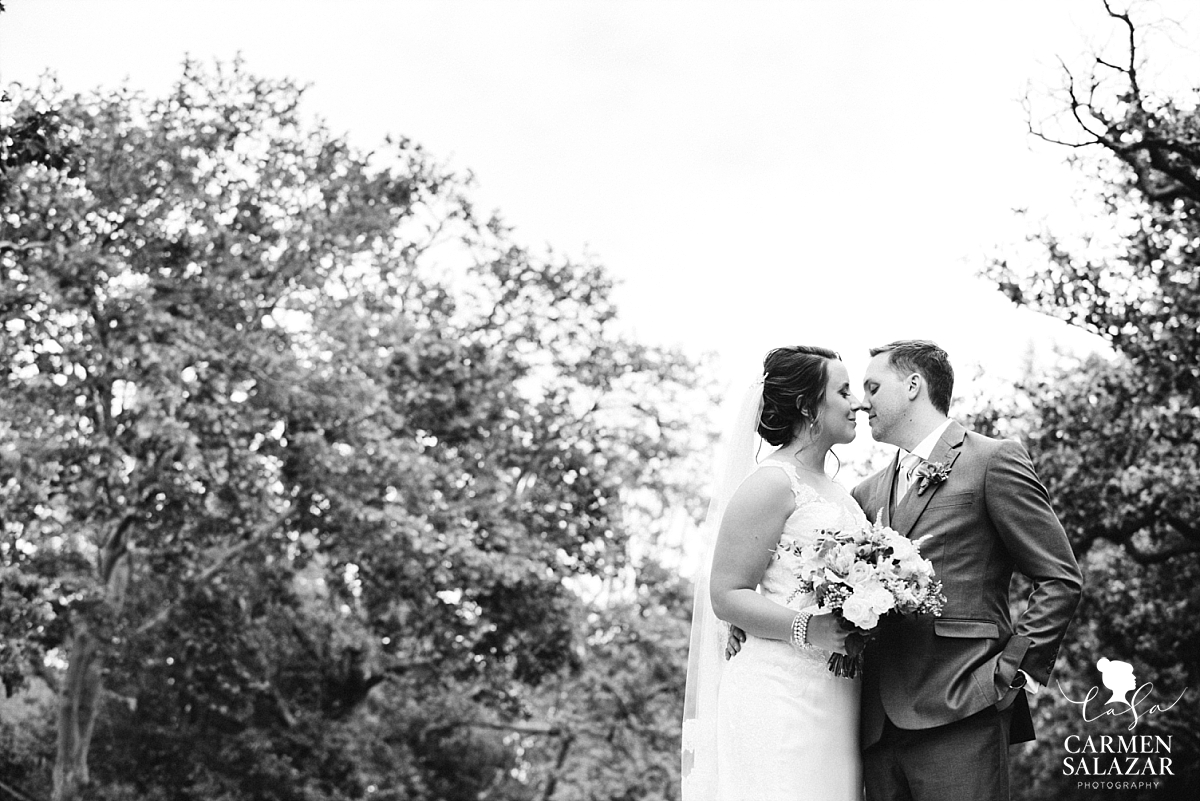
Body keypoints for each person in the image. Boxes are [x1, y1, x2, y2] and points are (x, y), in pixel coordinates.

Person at [852, 339, 1083, 801]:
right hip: (876, 726)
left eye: (873, 387)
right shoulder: (864, 494)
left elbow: (1059, 577)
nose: (862, 402)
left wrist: (1014, 671)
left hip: (964, 707)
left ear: (914, 384)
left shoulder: (991, 460)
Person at [681, 345, 865, 801]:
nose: (857, 402)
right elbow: (725, 593)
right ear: (808, 406)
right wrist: (810, 629)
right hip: (779, 692)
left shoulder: (843, 494)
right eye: (844, 391)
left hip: (838, 694)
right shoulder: (772, 482)